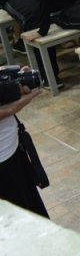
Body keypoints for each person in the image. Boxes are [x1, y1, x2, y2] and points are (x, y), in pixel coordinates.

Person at [0, 80, 47, 218]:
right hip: (4, 161)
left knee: (30, 208)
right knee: (17, 218)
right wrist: (12, 108)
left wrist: (14, 79)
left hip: (12, 148)